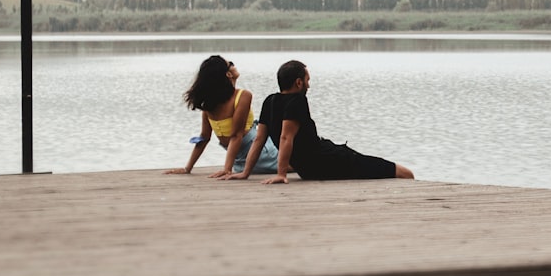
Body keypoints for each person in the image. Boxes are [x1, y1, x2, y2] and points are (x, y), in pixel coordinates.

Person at [226, 59, 415, 184]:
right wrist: (281, 174)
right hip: (327, 160)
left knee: (378, 168)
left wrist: (245, 173)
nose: (309, 84)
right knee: (402, 172)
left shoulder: (270, 101)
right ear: (298, 83)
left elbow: (259, 140)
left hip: (308, 169)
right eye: (307, 80)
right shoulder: (298, 100)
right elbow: (285, 137)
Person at [164, 55, 280, 178]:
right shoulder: (243, 96)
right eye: (231, 63)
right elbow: (236, 135)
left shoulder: (209, 102)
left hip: (241, 164)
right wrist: (227, 169)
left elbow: (204, 137)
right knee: (297, 159)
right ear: (228, 74)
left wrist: (188, 168)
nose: (234, 65)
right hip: (262, 155)